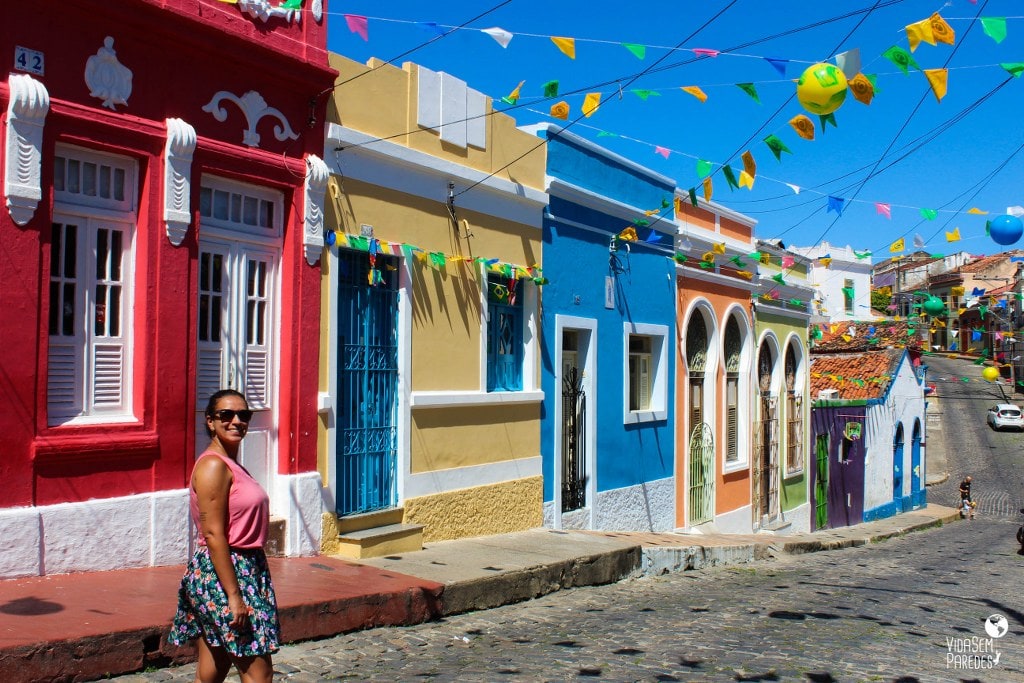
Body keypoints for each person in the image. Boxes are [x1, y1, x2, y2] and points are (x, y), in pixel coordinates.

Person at [170, 390, 279, 683]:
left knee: (214, 668)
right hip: (227, 572)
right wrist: (234, 595)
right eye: (226, 415)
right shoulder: (213, 466)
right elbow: (214, 533)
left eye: (243, 415)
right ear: (210, 421)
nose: (236, 421)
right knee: (259, 672)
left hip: (243, 567)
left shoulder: (229, 463)